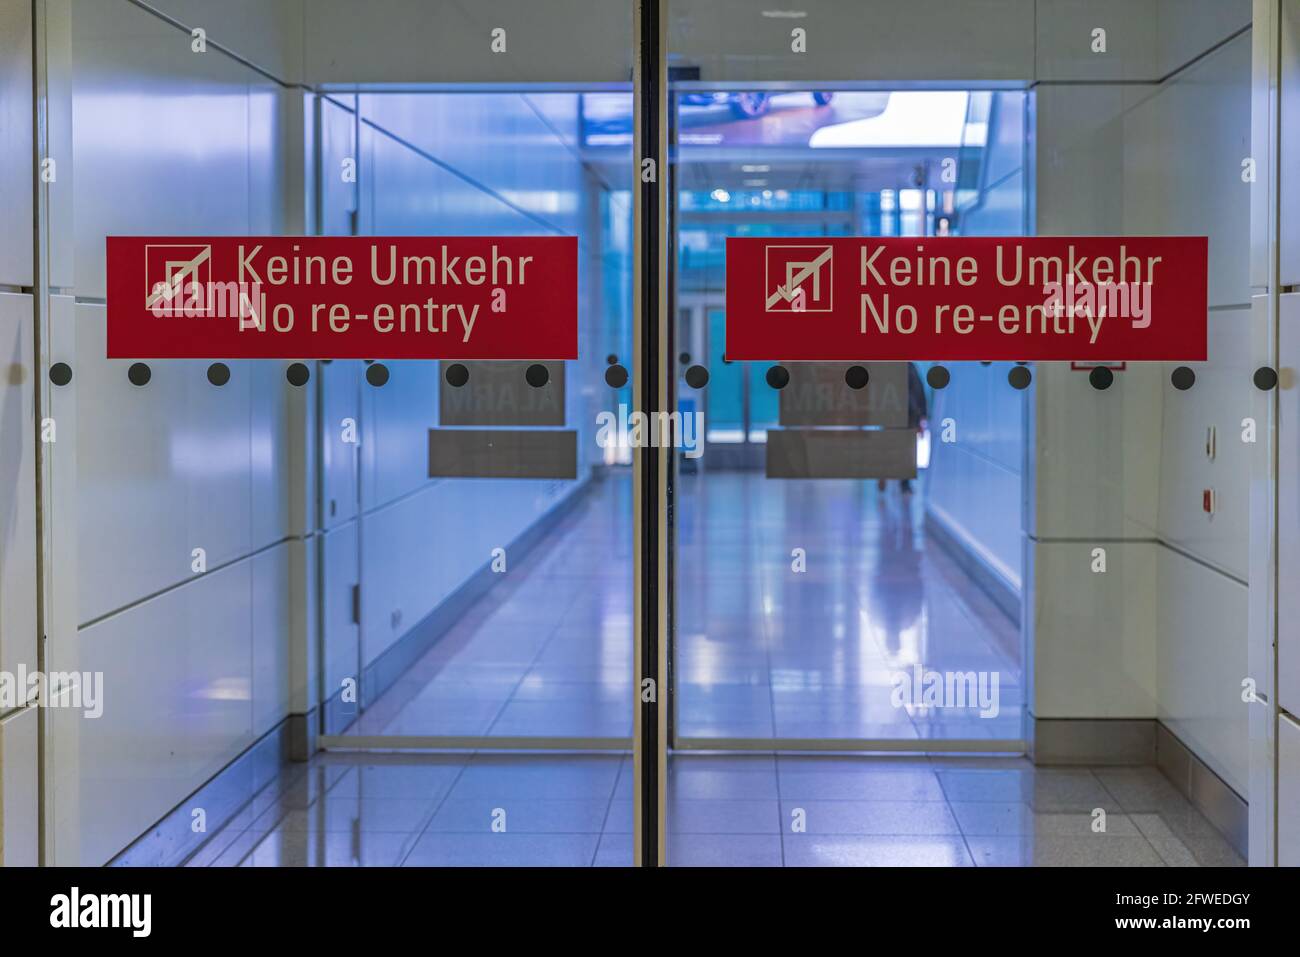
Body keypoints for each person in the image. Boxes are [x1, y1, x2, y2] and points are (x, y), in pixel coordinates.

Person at [877, 362, 928, 495]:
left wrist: (922, 415)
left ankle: (904, 483)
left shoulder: (909, 367)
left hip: (908, 415)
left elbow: (919, 391)